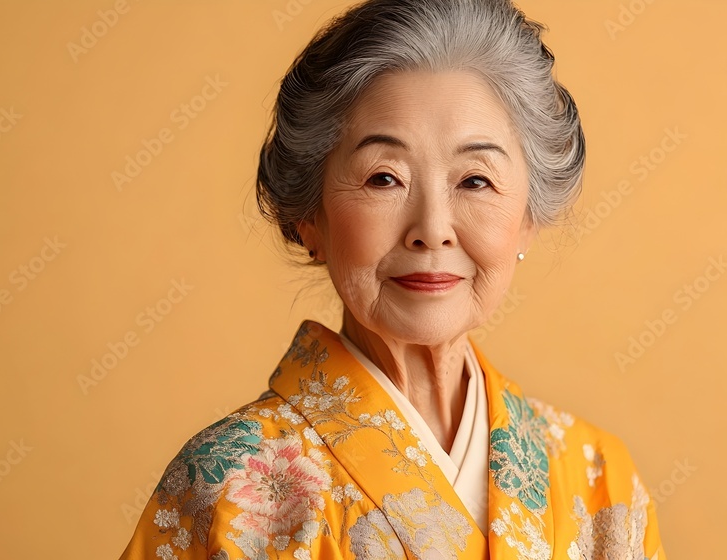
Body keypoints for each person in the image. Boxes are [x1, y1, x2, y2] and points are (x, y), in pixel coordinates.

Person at [119, 0, 665, 558]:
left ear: (528, 219)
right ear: (310, 217)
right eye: (384, 178)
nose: (432, 230)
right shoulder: (230, 489)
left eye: (475, 181)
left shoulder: (602, 484)